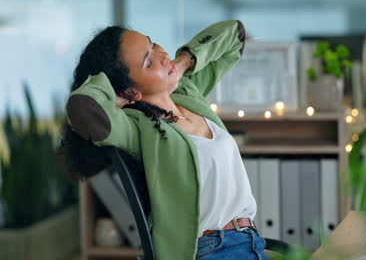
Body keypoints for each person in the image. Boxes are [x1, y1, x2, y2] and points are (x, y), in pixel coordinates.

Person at [59, 20, 269, 260]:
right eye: (148, 62)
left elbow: (234, 35)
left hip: (250, 242)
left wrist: (183, 63)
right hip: (210, 251)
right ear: (130, 92)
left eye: (154, 44)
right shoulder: (137, 127)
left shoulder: (187, 93)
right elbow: (84, 109)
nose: (163, 54)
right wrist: (114, 93)